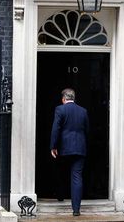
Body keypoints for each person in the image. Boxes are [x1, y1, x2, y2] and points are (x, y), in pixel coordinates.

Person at [50, 88, 89, 216]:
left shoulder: (60, 109)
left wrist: (53, 146)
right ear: (74, 98)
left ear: (63, 99)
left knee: (60, 171)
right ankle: (76, 210)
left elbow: (56, 128)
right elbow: (87, 130)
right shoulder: (83, 111)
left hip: (64, 148)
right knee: (77, 177)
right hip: (80, 147)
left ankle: (60, 195)